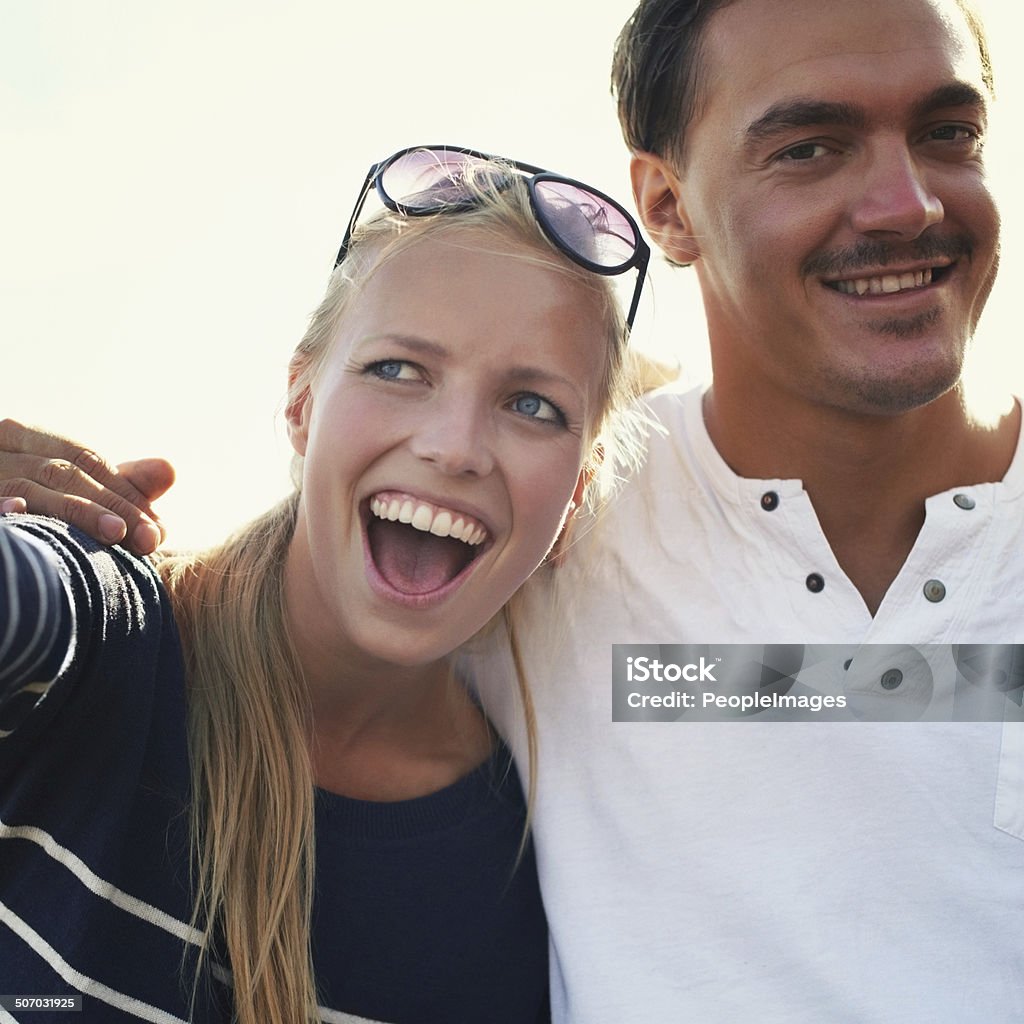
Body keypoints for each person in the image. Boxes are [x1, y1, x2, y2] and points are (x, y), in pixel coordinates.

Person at [0, 146, 650, 1023]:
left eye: (532, 405)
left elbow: (879, 690)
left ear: (574, 496)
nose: (454, 447)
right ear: (302, 403)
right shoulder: (103, 635)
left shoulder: (526, 882)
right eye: (398, 369)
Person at [467, 1, 1023, 1021]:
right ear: (667, 206)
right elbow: (243, 643)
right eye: (809, 148)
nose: (906, 204)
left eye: (948, 133)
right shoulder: (554, 525)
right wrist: (82, 548)